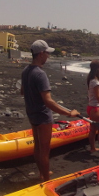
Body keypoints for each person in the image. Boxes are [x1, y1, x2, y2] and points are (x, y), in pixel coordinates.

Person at [20, 40, 80, 182]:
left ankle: (42, 173)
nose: (48, 56)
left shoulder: (25, 71)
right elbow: (48, 101)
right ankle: (46, 180)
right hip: (42, 116)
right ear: (41, 54)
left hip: (31, 113)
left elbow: (22, 91)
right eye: (47, 53)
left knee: (37, 146)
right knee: (45, 150)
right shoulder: (40, 74)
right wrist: (69, 113)